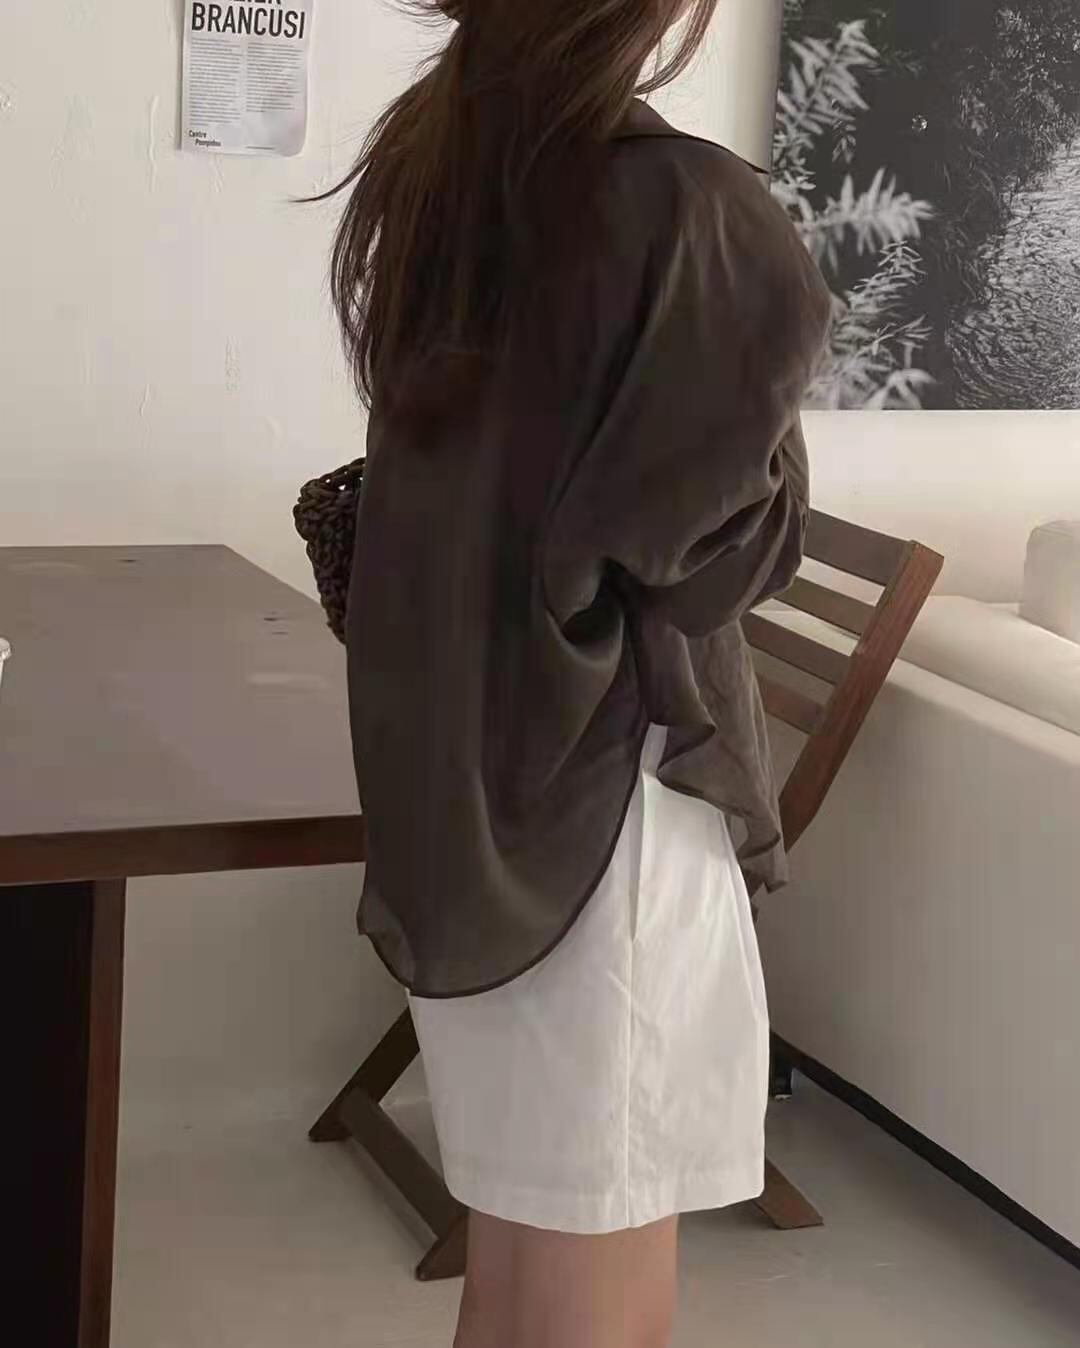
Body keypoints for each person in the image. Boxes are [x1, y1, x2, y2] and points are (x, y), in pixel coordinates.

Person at [319, 2, 831, 1344]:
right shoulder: (686, 208)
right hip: (609, 824)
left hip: (469, 798)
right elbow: (718, 560)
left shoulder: (441, 163)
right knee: (596, 1305)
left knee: (516, 1281)